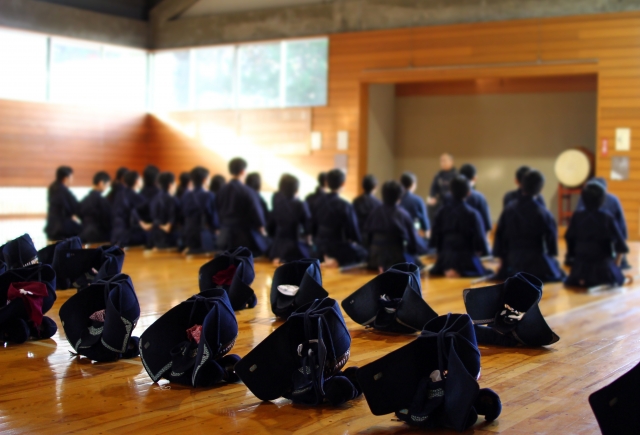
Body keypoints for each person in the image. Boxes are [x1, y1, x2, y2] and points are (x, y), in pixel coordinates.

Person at [493, 170, 565, 282]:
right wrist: (551, 253)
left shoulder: (509, 209)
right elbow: (551, 237)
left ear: (521, 185)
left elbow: (500, 234)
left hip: (512, 260)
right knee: (558, 272)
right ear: (541, 189)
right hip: (536, 260)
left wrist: (501, 258)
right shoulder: (543, 212)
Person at [565, 181, 628, 288]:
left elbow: (569, 238)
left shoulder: (577, 216)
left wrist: (573, 260)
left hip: (579, 271)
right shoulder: (607, 217)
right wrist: (615, 269)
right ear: (602, 199)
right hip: (603, 270)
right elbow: (621, 247)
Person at [429, 175, 491, 278]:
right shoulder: (473, 214)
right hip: (467, 259)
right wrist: (484, 252)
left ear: (450, 191)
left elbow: (435, 236)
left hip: (445, 258)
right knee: (488, 272)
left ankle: (449, 269)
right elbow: (480, 239)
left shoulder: (441, 212)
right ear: (468, 192)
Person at [363, 180, 427, 272]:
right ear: (399, 196)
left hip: (374, 259)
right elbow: (413, 242)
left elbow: (366, 236)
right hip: (395, 259)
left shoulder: (374, 212)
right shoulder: (402, 214)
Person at [314, 169, 367, 267]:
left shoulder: (317, 202)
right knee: (363, 253)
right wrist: (358, 241)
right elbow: (353, 231)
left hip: (319, 246)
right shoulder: (344, 205)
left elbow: (312, 225)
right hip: (337, 247)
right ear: (343, 184)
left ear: (327, 183)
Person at [216, 158, 267, 255]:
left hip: (224, 235)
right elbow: (256, 212)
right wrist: (261, 227)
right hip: (243, 236)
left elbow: (217, 209)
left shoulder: (221, 190)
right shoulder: (247, 191)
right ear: (243, 171)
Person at [574, 177, 629, 269]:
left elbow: (577, 223)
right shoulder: (613, 201)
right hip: (608, 251)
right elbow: (622, 228)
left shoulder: (584, 199)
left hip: (586, 251)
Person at [269, 174, 312, 264]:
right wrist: (309, 241)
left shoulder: (278, 203)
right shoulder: (300, 204)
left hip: (277, 246)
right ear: (296, 190)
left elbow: (271, 223)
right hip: (294, 245)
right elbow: (308, 226)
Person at [181, 167, 218, 254]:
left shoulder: (186, 195)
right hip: (203, 235)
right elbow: (213, 218)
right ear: (204, 180)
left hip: (188, 234)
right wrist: (216, 229)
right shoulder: (209, 195)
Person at [110, 170, 150, 247]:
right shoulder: (134, 196)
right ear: (136, 181)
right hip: (126, 236)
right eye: (141, 179)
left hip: (115, 235)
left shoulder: (119, 194)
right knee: (149, 236)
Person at [45, 166, 81, 241]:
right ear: (65, 178)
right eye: (71, 177)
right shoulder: (63, 191)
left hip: (51, 226)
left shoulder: (53, 187)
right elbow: (72, 208)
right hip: (61, 228)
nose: (72, 179)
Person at [78, 171, 112, 244]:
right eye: (107, 185)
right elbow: (107, 219)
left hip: (84, 234)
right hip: (99, 236)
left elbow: (79, 215)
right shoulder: (102, 201)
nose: (107, 188)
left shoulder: (84, 200)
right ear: (101, 183)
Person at [150, 172, 180, 249]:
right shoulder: (173, 200)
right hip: (170, 239)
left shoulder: (154, 199)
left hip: (155, 237)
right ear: (170, 185)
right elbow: (171, 222)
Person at [458, 164, 492, 234]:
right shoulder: (479, 197)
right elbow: (487, 224)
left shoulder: (448, 197)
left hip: (452, 239)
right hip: (474, 237)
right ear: (474, 178)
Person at [426, 153, 457, 221]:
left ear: (451, 161)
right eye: (441, 161)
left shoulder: (456, 175)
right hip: (441, 201)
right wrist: (432, 197)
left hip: (454, 200)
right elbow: (433, 189)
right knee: (430, 206)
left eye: (445, 160)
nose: (443, 163)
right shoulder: (438, 175)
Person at [399, 172, 430, 236]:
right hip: (415, 231)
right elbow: (423, 218)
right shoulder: (417, 200)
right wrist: (426, 229)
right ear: (413, 184)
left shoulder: (397, 199)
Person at [306, 172, 328, 236]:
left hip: (309, 229)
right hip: (320, 232)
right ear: (326, 182)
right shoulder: (327, 199)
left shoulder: (309, 197)